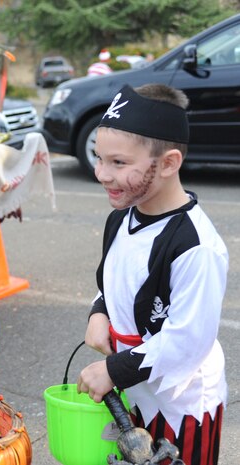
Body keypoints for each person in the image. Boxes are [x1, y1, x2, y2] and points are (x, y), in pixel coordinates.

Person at [77, 84, 227, 465]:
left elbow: (187, 340)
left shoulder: (195, 246)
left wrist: (113, 369)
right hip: (133, 388)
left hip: (181, 400)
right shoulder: (121, 218)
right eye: (98, 157)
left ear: (168, 163)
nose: (101, 174)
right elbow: (113, 282)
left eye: (118, 163)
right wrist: (100, 312)